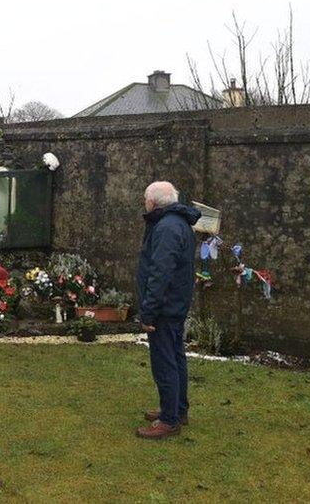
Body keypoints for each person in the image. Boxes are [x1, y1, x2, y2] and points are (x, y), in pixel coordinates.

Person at [135, 181, 201, 440]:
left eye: (145, 199)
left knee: (165, 363)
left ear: (153, 202)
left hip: (165, 307)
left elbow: (160, 273)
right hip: (174, 304)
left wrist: (149, 312)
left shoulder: (166, 227)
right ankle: (177, 409)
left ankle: (170, 420)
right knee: (176, 357)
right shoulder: (177, 223)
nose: (144, 203)